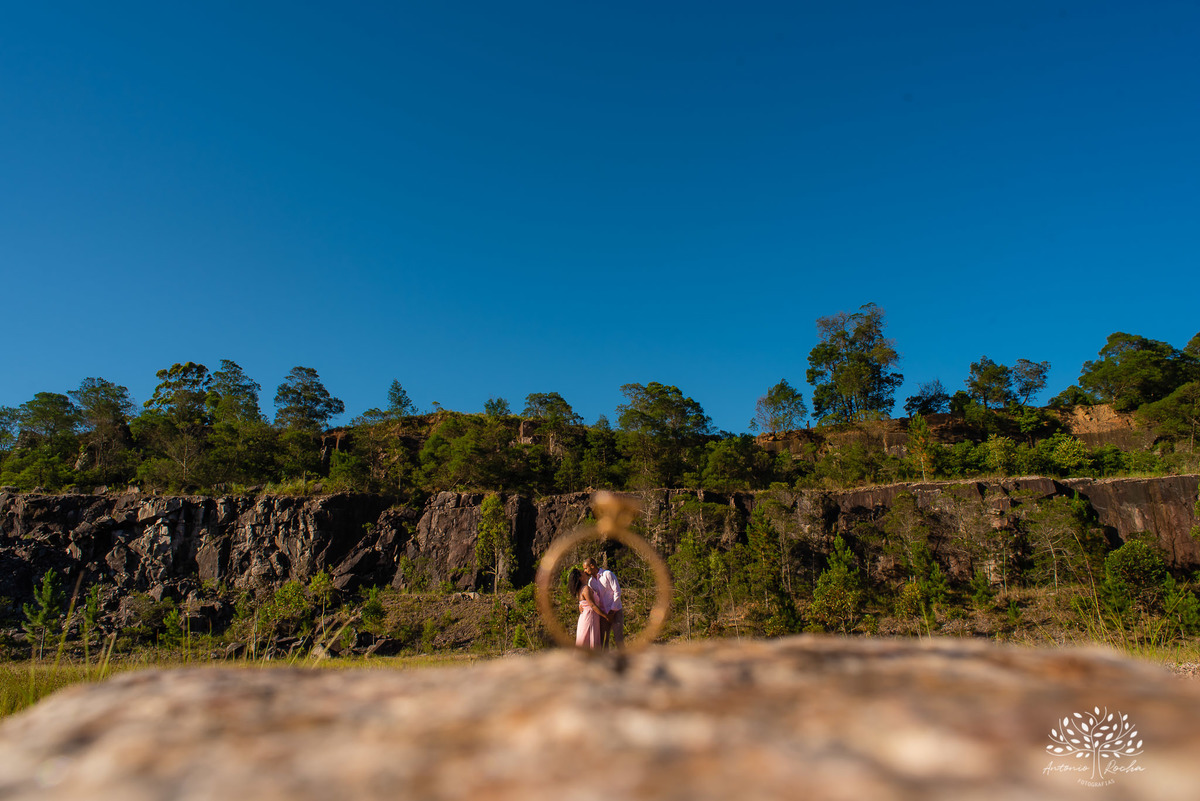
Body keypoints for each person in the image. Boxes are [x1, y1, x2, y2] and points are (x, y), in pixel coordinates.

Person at [583, 557, 623, 649]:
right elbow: (591, 598)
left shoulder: (607, 574)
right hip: (603, 614)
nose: (584, 571)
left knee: (619, 640)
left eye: (586, 568)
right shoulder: (591, 582)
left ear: (592, 566)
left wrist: (612, 611)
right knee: (603, 641)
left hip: (616, 611)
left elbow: (617, 591)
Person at [567, 567, 606, 649]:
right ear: (580, 577)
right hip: (590, 617)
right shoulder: (585, 589)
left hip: (586, 616)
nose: (585, 572)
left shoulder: (580, 589)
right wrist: (605, 616)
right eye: (582, 572)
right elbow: (592, 605)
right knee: (591, 641)